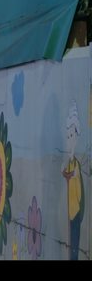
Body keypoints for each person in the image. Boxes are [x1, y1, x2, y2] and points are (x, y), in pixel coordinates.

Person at [62, 100, 84, 260]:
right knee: (72, 243)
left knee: (75, 244)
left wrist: (65, 174)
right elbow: (66, 174)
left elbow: (71, 175)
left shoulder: (75, 164)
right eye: (68, 136)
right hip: (71, 210)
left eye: (71, 136)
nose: (69, 139)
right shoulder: (70, 163)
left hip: (76, 210)